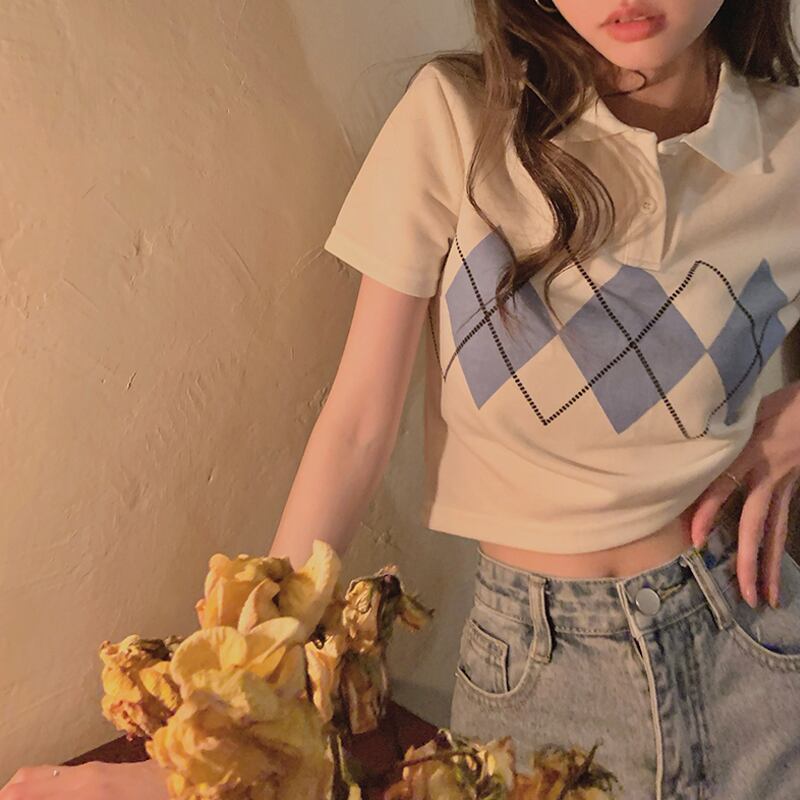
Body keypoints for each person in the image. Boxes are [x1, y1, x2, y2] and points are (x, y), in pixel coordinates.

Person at [5, 2, 799, 799]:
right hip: (538, 667)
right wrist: (216, 737)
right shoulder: (460, 119)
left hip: (753, 639)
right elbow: (356, 426)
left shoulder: (788, 143)